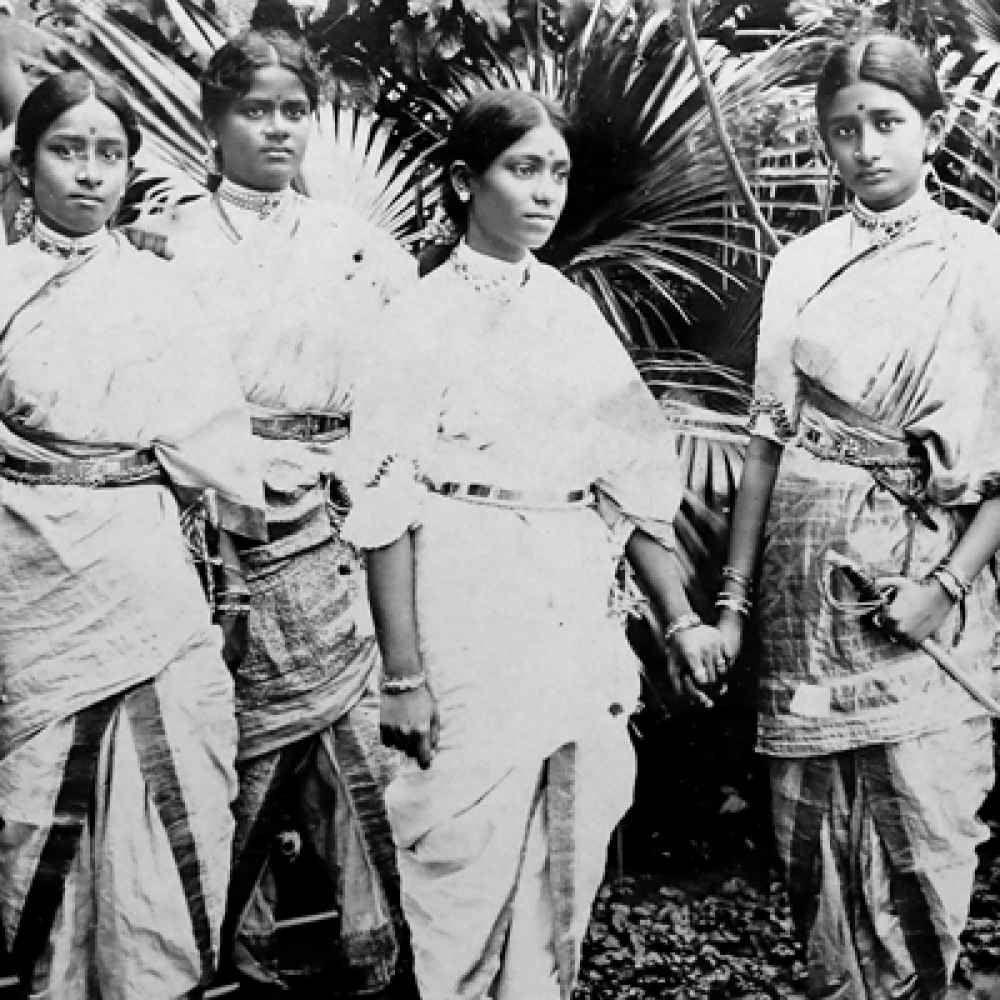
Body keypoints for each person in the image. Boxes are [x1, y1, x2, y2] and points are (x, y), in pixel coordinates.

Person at [343, 88, 727, 1000]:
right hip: (462, 602)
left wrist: (679, 624)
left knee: (572, 838)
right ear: (462, 181)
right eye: (523, 169)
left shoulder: (570, 313)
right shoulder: (415, 319)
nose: (546, 191)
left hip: (566, 605)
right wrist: (404, 676)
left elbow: (629, 486)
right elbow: (385, 505)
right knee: (460, 860)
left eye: (556, 171)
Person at [708, 34, 1000, 1000]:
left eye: (887, 123)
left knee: (927, 823)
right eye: (844, 131)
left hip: (926, 582)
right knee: (812, 840)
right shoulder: (800, 264)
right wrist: (736, 601)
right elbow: (766, 440)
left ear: (931, 128)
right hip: (803, 586)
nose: (867, 148)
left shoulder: (978, 261)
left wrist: (946, 588)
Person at [150, 27, 418, 998]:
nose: (275, 128)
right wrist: (227, 471)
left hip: (339, 526)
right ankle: (243, 964)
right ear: (212, 121)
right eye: (253, 109)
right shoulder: (168, 247)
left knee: (359, 769)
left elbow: (401, 392)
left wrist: (350, 466)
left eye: (292, 110)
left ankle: (372, 954)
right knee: (229, 757)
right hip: (215, 537)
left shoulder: (358, 247)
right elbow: (152, 397)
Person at [0, 70, 266, 998]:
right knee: (34, 805)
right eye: (66, 150)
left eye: (108, 154)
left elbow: (219, 453)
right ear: (23, 163)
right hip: (27, 581)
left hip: (147, 573)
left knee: (174, 791)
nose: (88, 174)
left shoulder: (162, 289)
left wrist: (233, 572)